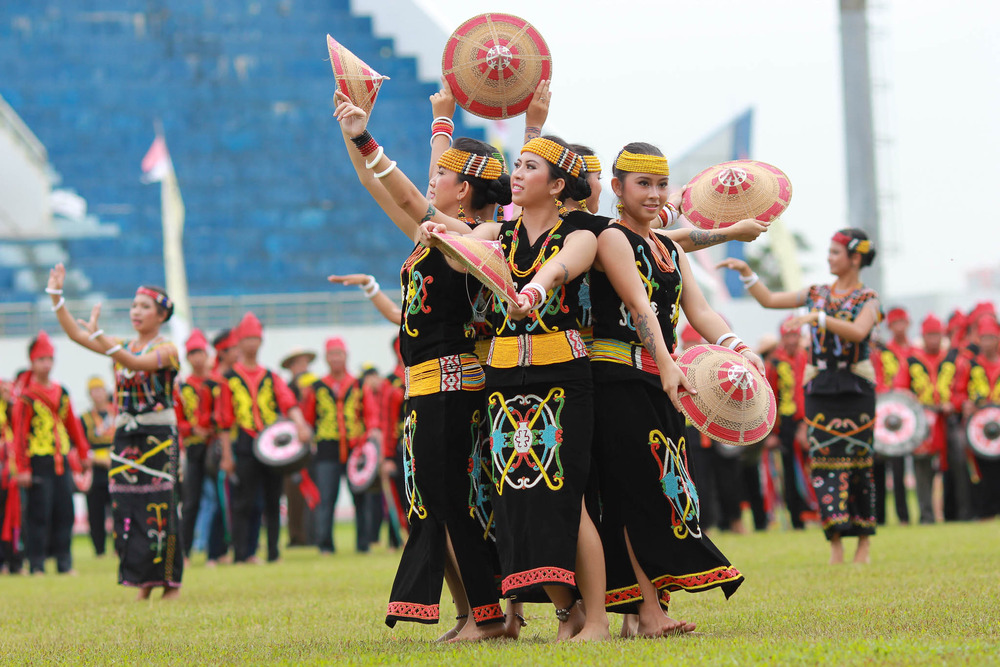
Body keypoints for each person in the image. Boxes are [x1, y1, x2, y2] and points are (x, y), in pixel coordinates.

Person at [335, 85, 511, 641]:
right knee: (431, 506)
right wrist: (351, 130)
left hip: (457, 385)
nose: (429, 177)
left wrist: (368, 135)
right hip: (424, 388)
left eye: (441, 174)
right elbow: (376, 183)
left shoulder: (484, 234)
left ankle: (489, 617)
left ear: (463, 189)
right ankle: (472, 615)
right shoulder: (430, 232)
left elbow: (417, 199)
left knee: (454, 504)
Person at [588, 143, 747, 636]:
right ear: (617, 189)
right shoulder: (609, 238)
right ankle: (650, 614)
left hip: (660, 380)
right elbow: (640, 310)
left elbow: (697, 310)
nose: (655, 194)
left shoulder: (669, 247)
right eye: (643, 184)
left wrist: (734, 344)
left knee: (665, 492)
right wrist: (665, 362)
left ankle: (646, 611)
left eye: (661, 185)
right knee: (635, 493)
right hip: (616, 380)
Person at [719, 228, 882, 564]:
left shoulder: (868, 299)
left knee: (859, 464)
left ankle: (863, 542)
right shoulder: (815, 292)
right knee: (823, 464)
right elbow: (769, 300)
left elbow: (859, 332)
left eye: (836, 252)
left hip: (856, 389)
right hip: (821, 388)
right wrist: (749, 274)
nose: (829, 258)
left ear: (855, 258)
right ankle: (835, 542)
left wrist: (820, 318)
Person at [47, 264, 183, 597]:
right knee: (126, 506)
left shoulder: (167, 350)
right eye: (134, 306)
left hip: (158, 437)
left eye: (145, 307)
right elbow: (75, 335)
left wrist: (100, 339)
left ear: (161, 315)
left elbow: (136, 364)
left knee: (160, 506)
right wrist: (56, 297)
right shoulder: (120, 345)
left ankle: (168, 582)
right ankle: (141, 581)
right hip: (124, 436)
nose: (136, 312)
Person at [215, 312, 312, 564]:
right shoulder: (228, 379)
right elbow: (224, 420)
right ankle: (242, 553)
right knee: (244, 501)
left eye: (255, 338)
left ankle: (273, 552)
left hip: (272, 444)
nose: (251, 343)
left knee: (272, 499)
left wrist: (300, 425)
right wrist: (226, 454)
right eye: (246, 338)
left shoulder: (270, 376)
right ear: (239, 341)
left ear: (261, 341)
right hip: (245, 444)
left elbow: (288, 403)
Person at [11, 332, 91, 575]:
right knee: (38, 515)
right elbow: (19, 436)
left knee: (64, 512)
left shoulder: (61, 392)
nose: (46, 364)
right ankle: (37, 563)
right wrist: (23, 468)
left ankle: (64, 562)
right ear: (32, 362)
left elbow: (73, 426)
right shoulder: (25, 397)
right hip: (38, 461)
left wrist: (83, 454)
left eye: (49, 359)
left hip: (61, 461)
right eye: (41, 359)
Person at [300, 337, 381, 554]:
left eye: (339, 353)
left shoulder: (358, 384)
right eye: (332, 354)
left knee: (361, 498)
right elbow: (308, 419)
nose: (336, 358)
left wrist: (372, 431)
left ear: (346, 356)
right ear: (326, 358)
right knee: (326, 499)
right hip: (327, 449)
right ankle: (325, 545)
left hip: (357, 448)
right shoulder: (316, 387)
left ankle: (363, 544)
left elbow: (371, 414)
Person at [892, 314, 948, 524]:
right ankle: (927, 515)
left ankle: (956, 513)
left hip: (945, 420)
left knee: (950, 466)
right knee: (922, 468)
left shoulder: (951, 358)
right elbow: (900, 388)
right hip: (921, 422)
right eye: (929, 335)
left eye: (937, 335)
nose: (933, 339)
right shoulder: (912, 360)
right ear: (923, 336)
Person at [764, 317, 814, 529]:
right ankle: (797, 520)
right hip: (785, 426)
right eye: (788, 336)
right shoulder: (774, 362)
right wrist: (771, 433)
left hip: (811, 422)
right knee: (790, 473)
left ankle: (817, 514)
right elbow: (770, 397)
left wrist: (807, 424)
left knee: (815, 468)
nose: (792, 340)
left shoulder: (809, 359)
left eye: (795, 335)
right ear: (782, 338)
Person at [953, 315, 1000, 519]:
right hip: (977, 431)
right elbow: (957, 393)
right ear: (978, 340)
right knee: (980, 472)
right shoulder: (969, 366)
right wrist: (965, 404)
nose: (988, 342)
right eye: (984, 337)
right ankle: (984, 512)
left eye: (992, 337)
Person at [175, 329, 213, 562]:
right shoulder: (182, 387)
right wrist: (192, 430)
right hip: (193, 448)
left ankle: (217, 552)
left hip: (216, 446)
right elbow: (177, 419)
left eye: (200, 353)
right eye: (192, 354)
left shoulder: (217, 383)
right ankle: (184, 552)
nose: (197, 358)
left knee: (220, 500)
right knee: (191, 501)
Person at [872, 307, 913, 525]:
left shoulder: (914, 352)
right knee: (879, 463)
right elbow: (879, 379)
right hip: (885, 411)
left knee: (899, 466)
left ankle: (904, 516)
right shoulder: (883, 353)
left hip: (905, 414)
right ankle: (880, 517)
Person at [279, 347, 318, 548]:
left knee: (315, 492)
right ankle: (296, 537)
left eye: (305, 363)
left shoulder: (317, 387)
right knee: (293, 492)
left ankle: (314, 535)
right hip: (291, 451)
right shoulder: (285, 390)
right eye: (298, 364)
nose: (302, 367)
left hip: (314, 451)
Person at [81, 375, 114, 556]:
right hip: (96, 471)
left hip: (117, 468)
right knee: (95, 512)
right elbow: (81, 446)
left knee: (119, 509)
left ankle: (120, 547)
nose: (98, 394)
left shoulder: (115, 415)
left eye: (100, 390)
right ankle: (99, 549)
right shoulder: (85, 418)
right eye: (94, 391)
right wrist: (98, 459)